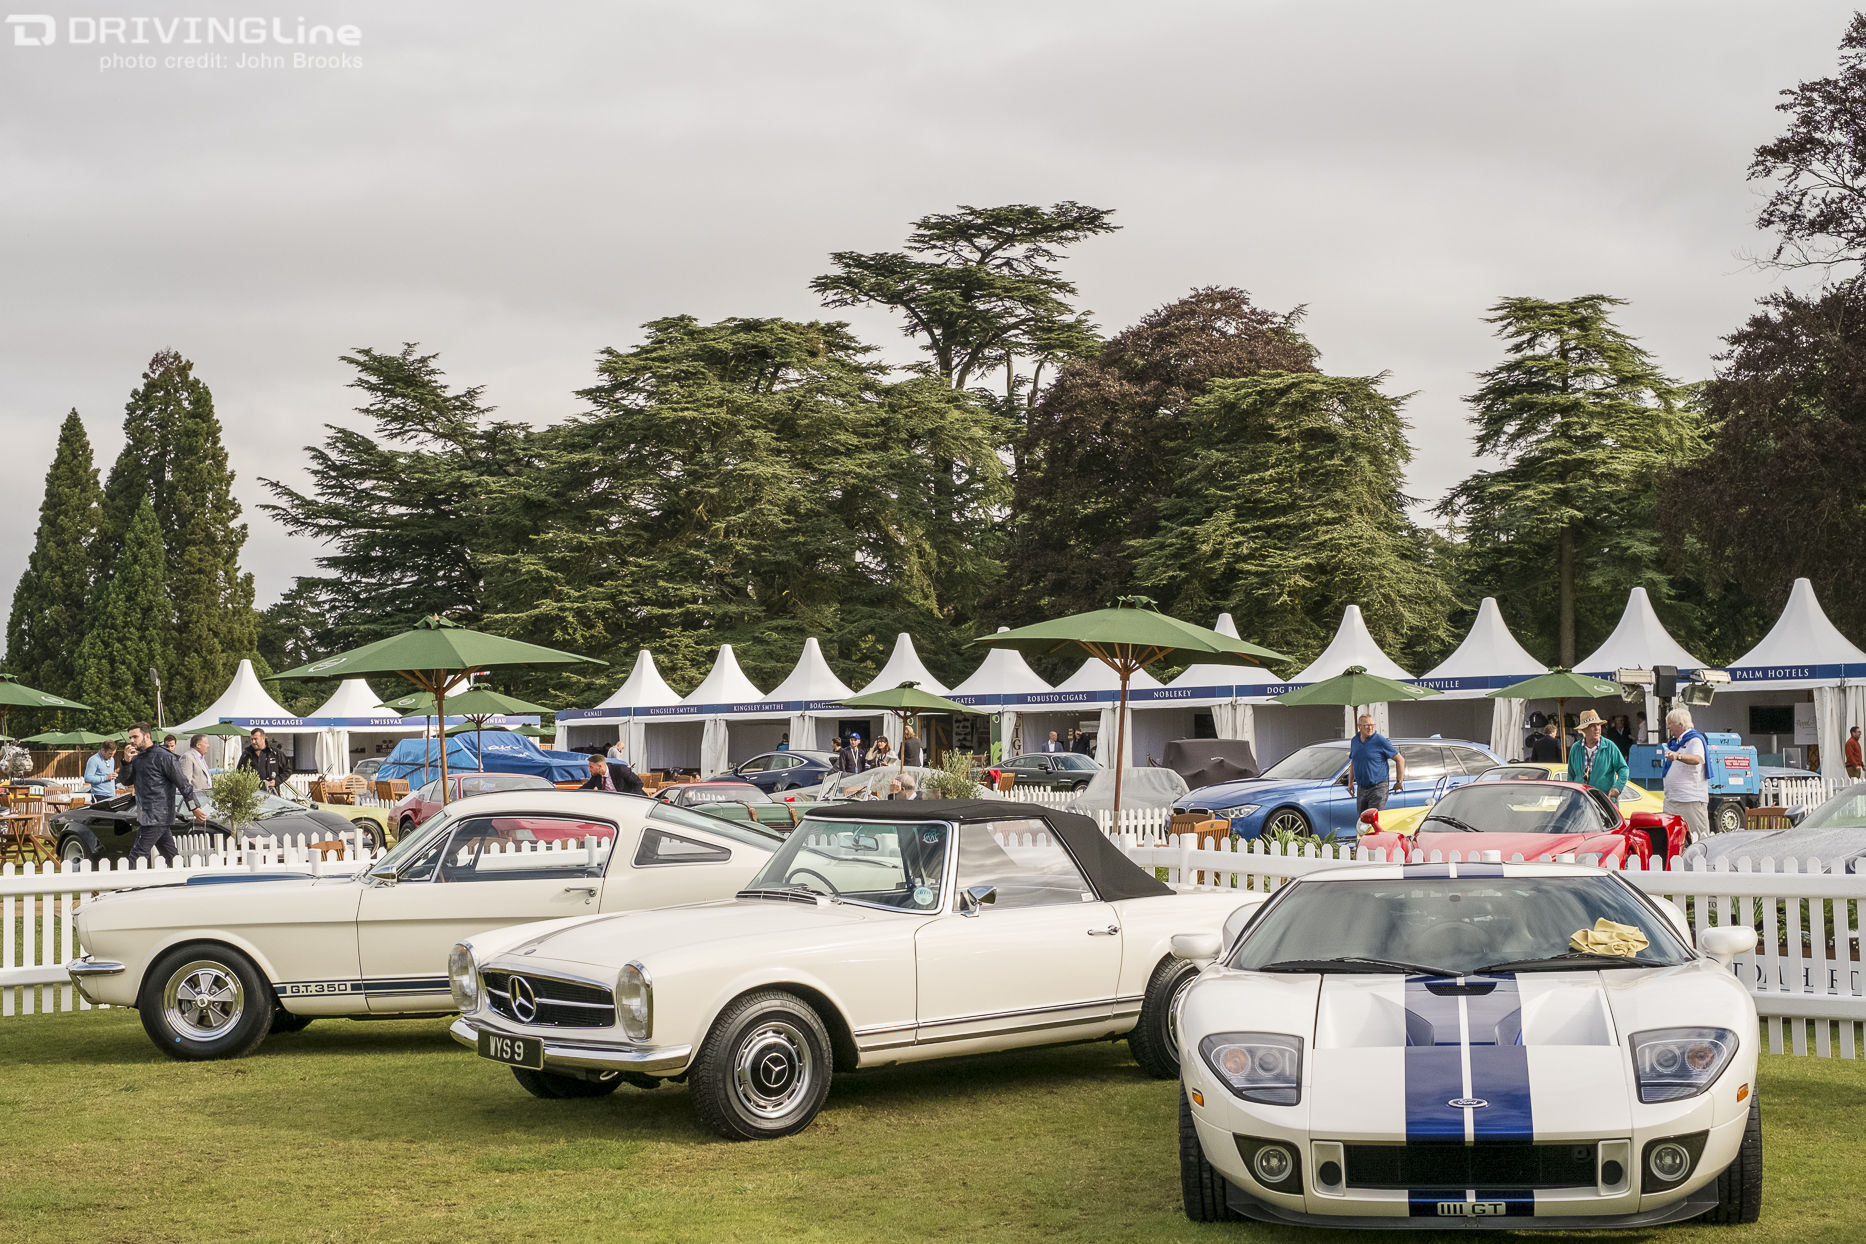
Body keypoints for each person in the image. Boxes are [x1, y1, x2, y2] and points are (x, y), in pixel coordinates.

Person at [123, 721, 207, 864]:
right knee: (171, 856)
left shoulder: (165, 756)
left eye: (135, 737)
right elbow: (126, 781)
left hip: (158, 816)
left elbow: (183, 784)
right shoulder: (137, 758)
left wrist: (194, 807)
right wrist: (126, 762)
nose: (131, 741)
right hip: (147, 815)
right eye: (130, 737)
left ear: (147, 736)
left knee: (136, 856)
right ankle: (182, 875)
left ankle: (128, 881)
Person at [1660, 707, 1710, 842]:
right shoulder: (1676, 743)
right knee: (1671, 838)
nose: (1668, 727)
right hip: (1672, 799)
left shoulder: (1695, 740)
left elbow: (1697, 758)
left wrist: (1678, 756)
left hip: (1690, 799)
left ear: (1680, 724)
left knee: (1699, 838)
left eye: (1670, 723)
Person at [1346, 713, 1404, 814]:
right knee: (1362, 819)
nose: (1370, 728)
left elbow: (1400, 759)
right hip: (1361, 788)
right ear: (1359, 726)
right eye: (1366, 725)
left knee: (1373, 819)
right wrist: (1350, 782)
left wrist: (1399, 781)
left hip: (1378, 787)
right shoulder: (1355, 740)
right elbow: (1354, 761)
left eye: (1372, 725)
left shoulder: (1380, 741)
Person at [1567, 709, 1628, 800]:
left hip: (1605, 801)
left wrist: (1618, 787)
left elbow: (1623, 768)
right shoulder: (1575, 748)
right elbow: (1571, 776)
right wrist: (1571, 796)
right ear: (1584, 729)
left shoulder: (1609, 746)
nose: (1597, 729)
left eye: (1598, 725)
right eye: (1592, 726)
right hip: (1581, 801)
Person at [237, 728, 290, 794]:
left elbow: (288, 770)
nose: (253, 742)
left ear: (263, 738)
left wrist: (276, 781)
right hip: (251, 793)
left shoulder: (274, 753)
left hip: (270, 794)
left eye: (255, 739)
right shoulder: (246, 754)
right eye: (252, 739)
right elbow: (239, 772)